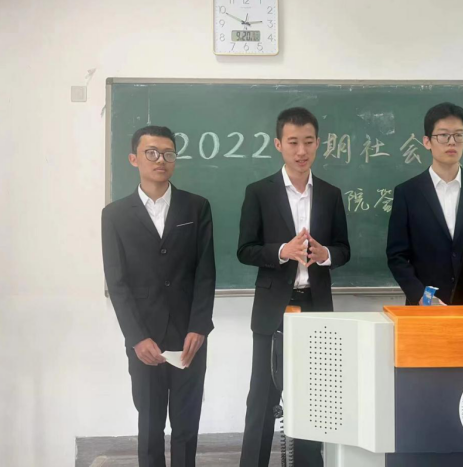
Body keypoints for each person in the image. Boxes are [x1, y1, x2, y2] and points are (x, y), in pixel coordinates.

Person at [237, 107, 350, 467]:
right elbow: (245, 250)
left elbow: (344, 249)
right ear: (278, 145)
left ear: (318, 144)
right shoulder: (259, 192)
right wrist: (281, 252)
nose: (301, 151)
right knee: (262, 398)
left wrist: (326, 254)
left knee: (313, 399)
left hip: (315, 308)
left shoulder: (330, 194)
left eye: (308, 142)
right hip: (273, 310)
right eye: (293, 142)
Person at [101, 125, 216, 467]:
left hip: (189, 336)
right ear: (133, 158)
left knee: (186, 426)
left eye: (168, 153)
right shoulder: (115, 215)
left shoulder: (196, 208)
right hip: (144, 338)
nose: (160, 160)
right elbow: (117, 282)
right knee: (150, 425)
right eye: (151, 152)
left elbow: (205, 273)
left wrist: (199, 327)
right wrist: (136, 338)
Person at [387, 102, 463, 305]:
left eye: (458, 135)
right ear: (427, 142)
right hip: (425, 306)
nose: (452, 142)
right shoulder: (407, 192)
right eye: (443, 135)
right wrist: (422, 297)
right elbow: (397, 256)